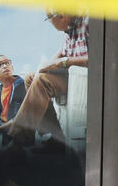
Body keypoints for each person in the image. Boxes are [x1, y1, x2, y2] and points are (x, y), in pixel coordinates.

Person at [7, 9, 88, 152]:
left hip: (84, 79)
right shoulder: (69, 28)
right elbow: (62, 52)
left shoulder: (88, 22)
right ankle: (55, 139)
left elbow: (99, 57)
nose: (49, 22)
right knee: (31, 78)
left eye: (48, 18)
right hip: (70, 75)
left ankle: (18, 141)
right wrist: (46, 66)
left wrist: (62, 62)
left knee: (42, 81)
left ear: (61, 15)